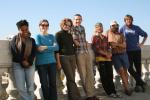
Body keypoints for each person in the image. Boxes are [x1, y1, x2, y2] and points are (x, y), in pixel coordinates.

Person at [72, 14, 99, 100]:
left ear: (81, 20)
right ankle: (88, 95)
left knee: (90, 74)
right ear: (74, 20)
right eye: (76, 19)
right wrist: (85, 44)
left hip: (86, 52)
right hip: (79, 53)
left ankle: (92, 94)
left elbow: (83, 39)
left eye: (79, 19)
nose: (78, 21)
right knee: (83, 75)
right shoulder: (72, 28)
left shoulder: (82, 27)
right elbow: (76, 42)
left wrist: (85, 44)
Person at [55, 18, 82, 100]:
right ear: (62, 24)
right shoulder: (58, 34)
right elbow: (57, 49)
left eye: (69, 26)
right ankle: (77, 97)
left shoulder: (70, 35)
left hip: (72, 57)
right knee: (70, 78)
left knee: (72, 78)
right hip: (64, 57)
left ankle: (71, 97)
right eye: (66, 25)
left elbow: (73, 46)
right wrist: (58, 62)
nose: (67, 26)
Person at [120, 14, 148, 92]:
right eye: (127, 20)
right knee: (129, 68)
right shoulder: (122, 28)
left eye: (130, 19)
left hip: (137, 51)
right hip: (128, 51)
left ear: (132, 20)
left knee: (138, 68)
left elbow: (145, 35)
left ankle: (138, 86)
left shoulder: (136, 28)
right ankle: (141, 82)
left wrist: (142, 43)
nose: (128, 21)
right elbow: (118, 37)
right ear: (125, 21)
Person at [92, 22, 120, 98]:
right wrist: (106, 54)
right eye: (98, 27)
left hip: (108, 59)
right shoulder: (94, 37)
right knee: (104, 76)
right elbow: (96, 49)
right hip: (100, 59)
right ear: (95, 29)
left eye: (101, 27)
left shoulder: (104, 37)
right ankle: (109, 92)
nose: (100, 28)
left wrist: (110, 53)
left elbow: (108, 47)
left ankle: (114, 91)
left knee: (110, 75)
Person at [10, 20, 36, 100]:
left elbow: (33, 53)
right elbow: (14, 52)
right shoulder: (14, 39)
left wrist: (29, 62)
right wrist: (22, 61)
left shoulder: (32, 40)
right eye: (22, 30)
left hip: (30, 64)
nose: (25, 31)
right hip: (18, 64)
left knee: (30, 87)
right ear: (19, 30)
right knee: (21, 87)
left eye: (26, 29)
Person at [33, 19, 58, 100]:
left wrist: (46, 47)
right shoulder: (37, 36)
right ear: (39, 26)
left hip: (52, 62)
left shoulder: (52, 36)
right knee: (44, 84)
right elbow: (39, 49)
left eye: (46, 25)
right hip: (41, 64)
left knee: (53, 84)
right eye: (43, 25)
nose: (45, 27)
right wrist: (51, 48)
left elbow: (57, 47)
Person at [107, 20, 132, 96]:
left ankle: (125, 86)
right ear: (110, 26)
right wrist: (119, 44)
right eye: (113, 25)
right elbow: (112, 45)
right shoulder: (108, 33)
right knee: (121, 72)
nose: (115, 27)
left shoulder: (121, 34)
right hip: (115, 56)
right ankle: (127, 88)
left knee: (125, 71)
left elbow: (124, 46)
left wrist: (117, 44)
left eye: (116, 25)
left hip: (124, 54)